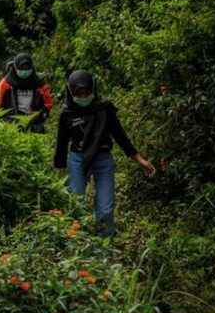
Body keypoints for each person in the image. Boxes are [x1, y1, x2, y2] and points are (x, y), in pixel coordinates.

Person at [54, 69, 156, 237]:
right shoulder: (67, 113)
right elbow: (61, 142)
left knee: (105, 210)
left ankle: (104, 254)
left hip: (102, 159)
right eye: (79, 93)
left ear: (93, 89)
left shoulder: (104, 108)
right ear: (71, 92)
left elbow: (120, 136)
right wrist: (61, 168)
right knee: (75, 205)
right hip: (78, 160)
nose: (84, 97)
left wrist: (139, 160)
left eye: (87, 92)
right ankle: (77, 248)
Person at [0, 53, 53, 133]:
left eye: (27, 68)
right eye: (21, 68)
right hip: (11, 125)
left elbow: (48, 105)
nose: (24, 71)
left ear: (32, 68)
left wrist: (39, 115)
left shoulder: (39, 84)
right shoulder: (6, 83)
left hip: (33, 124)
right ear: (15, 68)